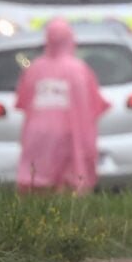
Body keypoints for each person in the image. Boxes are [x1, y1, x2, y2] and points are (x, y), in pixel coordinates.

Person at [15, 18, 110, 195]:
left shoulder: (34, 68)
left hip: (37, 136)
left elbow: (23, 101)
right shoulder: (79, 69)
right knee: (70, 186)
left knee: (37, 186)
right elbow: (95, 104)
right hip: (70, 135)